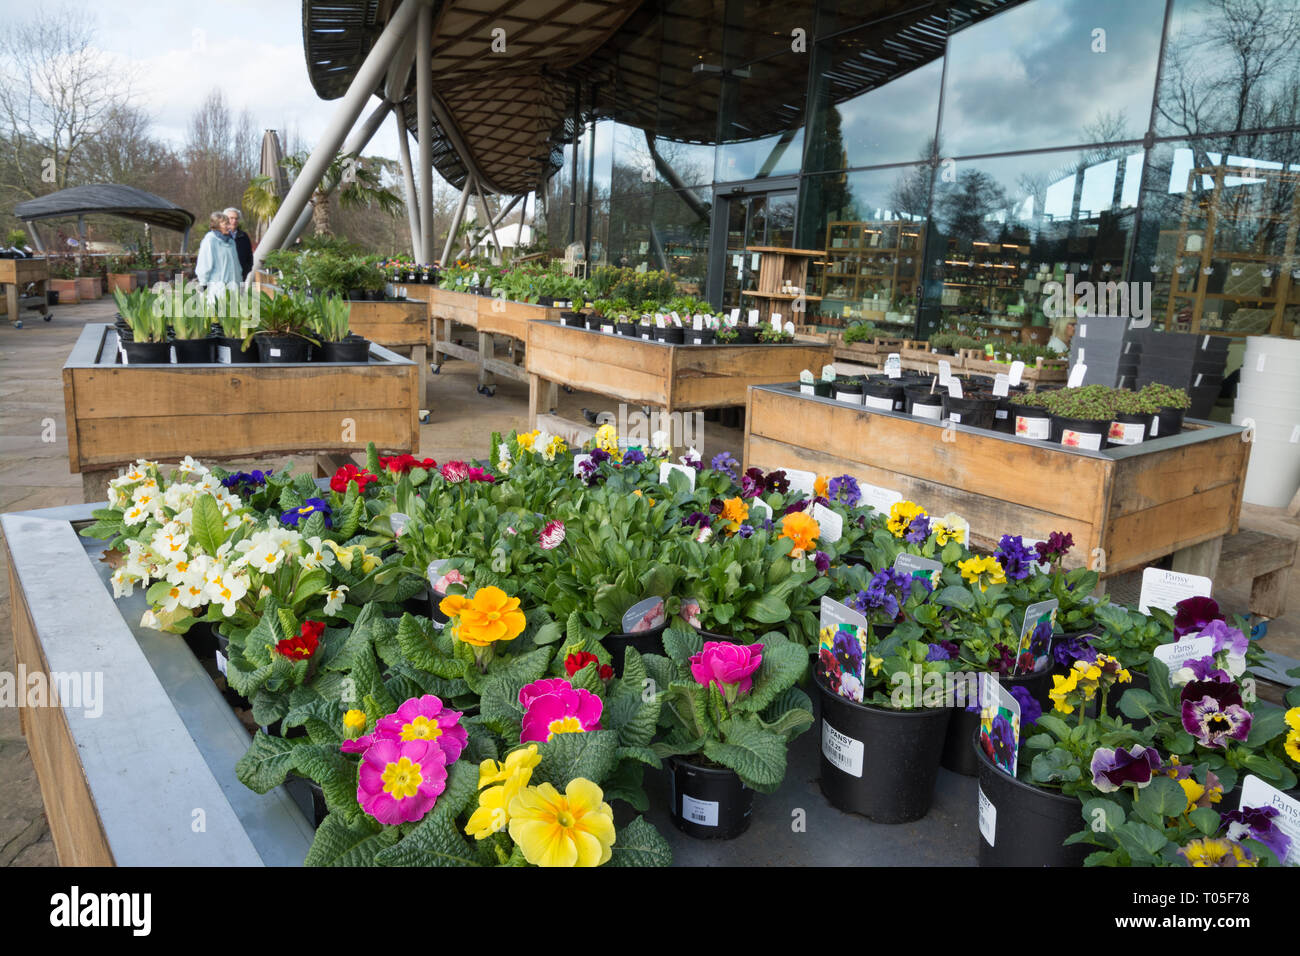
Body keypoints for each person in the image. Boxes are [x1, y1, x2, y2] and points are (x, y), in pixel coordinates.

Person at [195, 211, 241, 290]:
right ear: (217, 226)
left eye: (228, 224)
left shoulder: (231, 242)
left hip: (234, 288)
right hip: (216, 289)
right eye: (226, 224)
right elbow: (204, 264)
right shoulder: (210, 241)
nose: (229, 227)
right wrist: (203, 283)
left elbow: (237, 266)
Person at [224, 207, 253, 280]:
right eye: (231, 218)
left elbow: (249, 256)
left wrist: (246, 271)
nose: (234, 221)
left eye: (236, 218)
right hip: (223, 277)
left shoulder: (244, 236)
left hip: (240, 277)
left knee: (240, 292)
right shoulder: (219, 236)